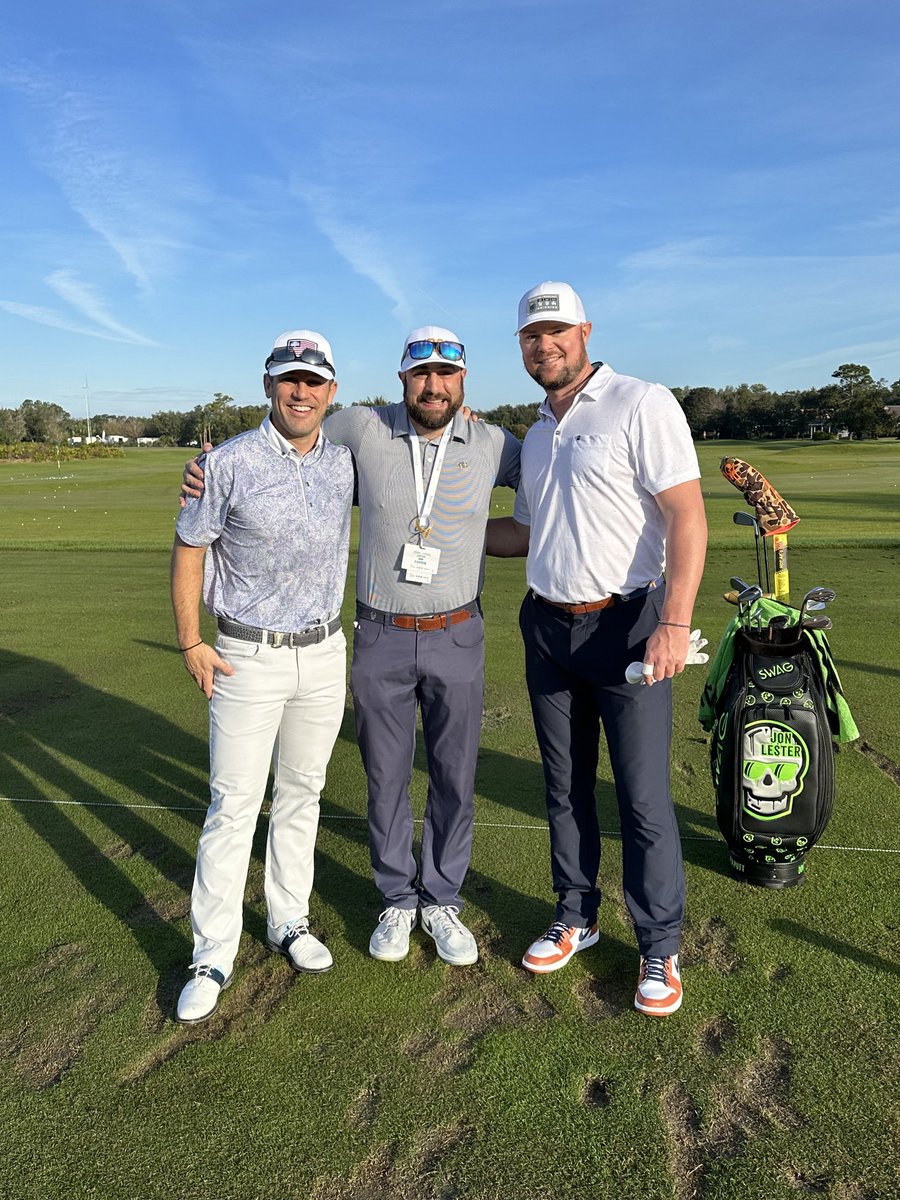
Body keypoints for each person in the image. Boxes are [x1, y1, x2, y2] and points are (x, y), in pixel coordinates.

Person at [183, 326, 521, 968]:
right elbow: (291, 440)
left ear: (463, 381)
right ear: (402, 377)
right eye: (422, 372)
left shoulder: (493, 440)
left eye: (447, 374)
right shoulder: (360, 429)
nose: (434, 385)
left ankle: (441, 897)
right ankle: (397, 898)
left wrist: (474, 531)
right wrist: (208, 469)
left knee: (454, 775)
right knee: (386, 777)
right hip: (380, 634)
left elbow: (549, 483)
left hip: (458, 629)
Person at [487, 282, 707, 1016]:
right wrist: (433, 531)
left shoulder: (641, 402)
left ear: (583, 330)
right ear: (520, 346)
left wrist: (674, 622)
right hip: (548, 627)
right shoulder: (539, 431)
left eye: (554, 331)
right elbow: (524, 533)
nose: (542, 344)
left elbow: (686, 515)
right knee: (564, 786)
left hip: (628, 625)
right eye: (529, 335)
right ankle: (576, 915)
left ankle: (659, 946)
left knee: (642, 798)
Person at [171, 329, 353, 1023]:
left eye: (312, 380)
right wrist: (190, 640)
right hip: (245, 653)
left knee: (304, 793)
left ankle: (288, 920)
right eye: (288, 379)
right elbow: (190, 546)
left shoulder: (344, 463)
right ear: (269, 385)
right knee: (234, 804)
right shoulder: (228, 464)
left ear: (330, 391)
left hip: (324, 650)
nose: (300, 390)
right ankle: (211, 951)